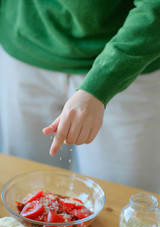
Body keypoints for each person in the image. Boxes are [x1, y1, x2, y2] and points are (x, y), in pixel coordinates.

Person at [0, 1, 160, 193]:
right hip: (24, 49)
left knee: (127, 198)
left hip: (130, 61)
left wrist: (99, 85)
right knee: (21, 190)